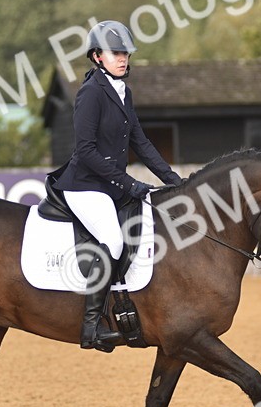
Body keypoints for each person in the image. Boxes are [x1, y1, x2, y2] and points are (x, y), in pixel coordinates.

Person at [52, 20, 183, 352]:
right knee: (112, 239)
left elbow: (141, 142)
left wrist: (174, 181)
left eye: (125, 53)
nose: (122, 58)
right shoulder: (91, 93)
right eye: (115, 53)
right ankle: (91, 326)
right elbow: (85, 151)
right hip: (84, 185)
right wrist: (130, 184)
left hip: (110, 186)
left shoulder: (123, 91)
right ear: (97, 56)